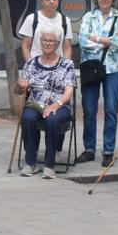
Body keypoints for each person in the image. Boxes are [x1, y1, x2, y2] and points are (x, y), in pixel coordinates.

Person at [77, 0, 118, 167]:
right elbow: (82, 41)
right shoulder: (88, 17)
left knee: (111, 110)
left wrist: (96, 39)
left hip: (114, 69)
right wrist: (107, 42)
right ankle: (89, 149)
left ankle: (108, 151)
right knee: (89, 110)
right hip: (91, 67)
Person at [15, 25, 74, 179]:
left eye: (51, 41)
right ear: (40, 42)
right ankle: (31, 162)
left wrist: (55, 106)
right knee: (27, 118)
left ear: (58, 43)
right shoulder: (31, 63)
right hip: (35, 103)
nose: (47, 43)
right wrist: (19, 85)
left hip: (59, 104)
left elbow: (69, 91)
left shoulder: (66, 64)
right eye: (44, 40)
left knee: (52, 120)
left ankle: (49, 164)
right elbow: (18, 91)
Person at [18, 0, 73, 64]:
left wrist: (64, 67)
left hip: (57, 69)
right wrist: (30, 66)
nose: (51, 2)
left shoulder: (65, 20)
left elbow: (67, 48)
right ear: (42, 1)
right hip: (36, 67)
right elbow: (25, 46)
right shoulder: (32, 19)